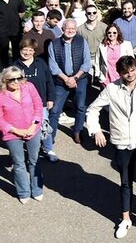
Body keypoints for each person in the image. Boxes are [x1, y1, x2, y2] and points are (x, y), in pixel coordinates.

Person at [85, 56, 136, 238]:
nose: (130, 74)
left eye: (133, 70)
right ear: (120, 73)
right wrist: (96, 130)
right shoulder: (112, 89)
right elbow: (93, 109)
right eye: (126, 72)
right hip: (122, 142)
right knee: (126, 181)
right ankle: (126, 219)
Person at [0, 65, 45, 203]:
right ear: (4, 80)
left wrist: (34, 125)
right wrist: (15, 130)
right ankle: (23, 192)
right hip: (12, 133)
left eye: (18, 78)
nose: (15, 82)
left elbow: (38, 105)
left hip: (33, 129)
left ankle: (37, 189)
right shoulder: (1, 95)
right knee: (18, 163)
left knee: (34, 160)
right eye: (11, 79)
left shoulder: (29, 87)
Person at [48, 19, 92, 148]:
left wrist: (75, 77)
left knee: (80, 106)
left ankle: (78, 131)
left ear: (76, 29)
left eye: (73, 28)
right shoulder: (54, 44)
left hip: (80, 79)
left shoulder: (81, 41)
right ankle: (50, 136)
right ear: (63, 28)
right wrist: (66, 79)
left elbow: (87, 62)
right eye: (68, 28)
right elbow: (53, 66)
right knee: (55, 110)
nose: (70, 30)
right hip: (61, 82)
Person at [14, 39, 55, 160]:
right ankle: (28, 151)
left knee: (44, 126)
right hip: (22, 104)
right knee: (25, 127)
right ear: (20, 50)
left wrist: (51, 98)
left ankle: (48, 149)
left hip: (41, 102)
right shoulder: (14, 66)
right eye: (24, 49)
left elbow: (49, 81)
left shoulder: (41, 63)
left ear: (34, 51)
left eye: (30, 50)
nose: (27, 52)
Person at [0, 0, 28, 67]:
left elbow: (22, 12)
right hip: (2, 31)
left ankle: (17, 67)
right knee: (2, 52)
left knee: (17, 50)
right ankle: (4, 69)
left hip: (16, 30)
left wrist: (15, 19)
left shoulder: (17, 0)